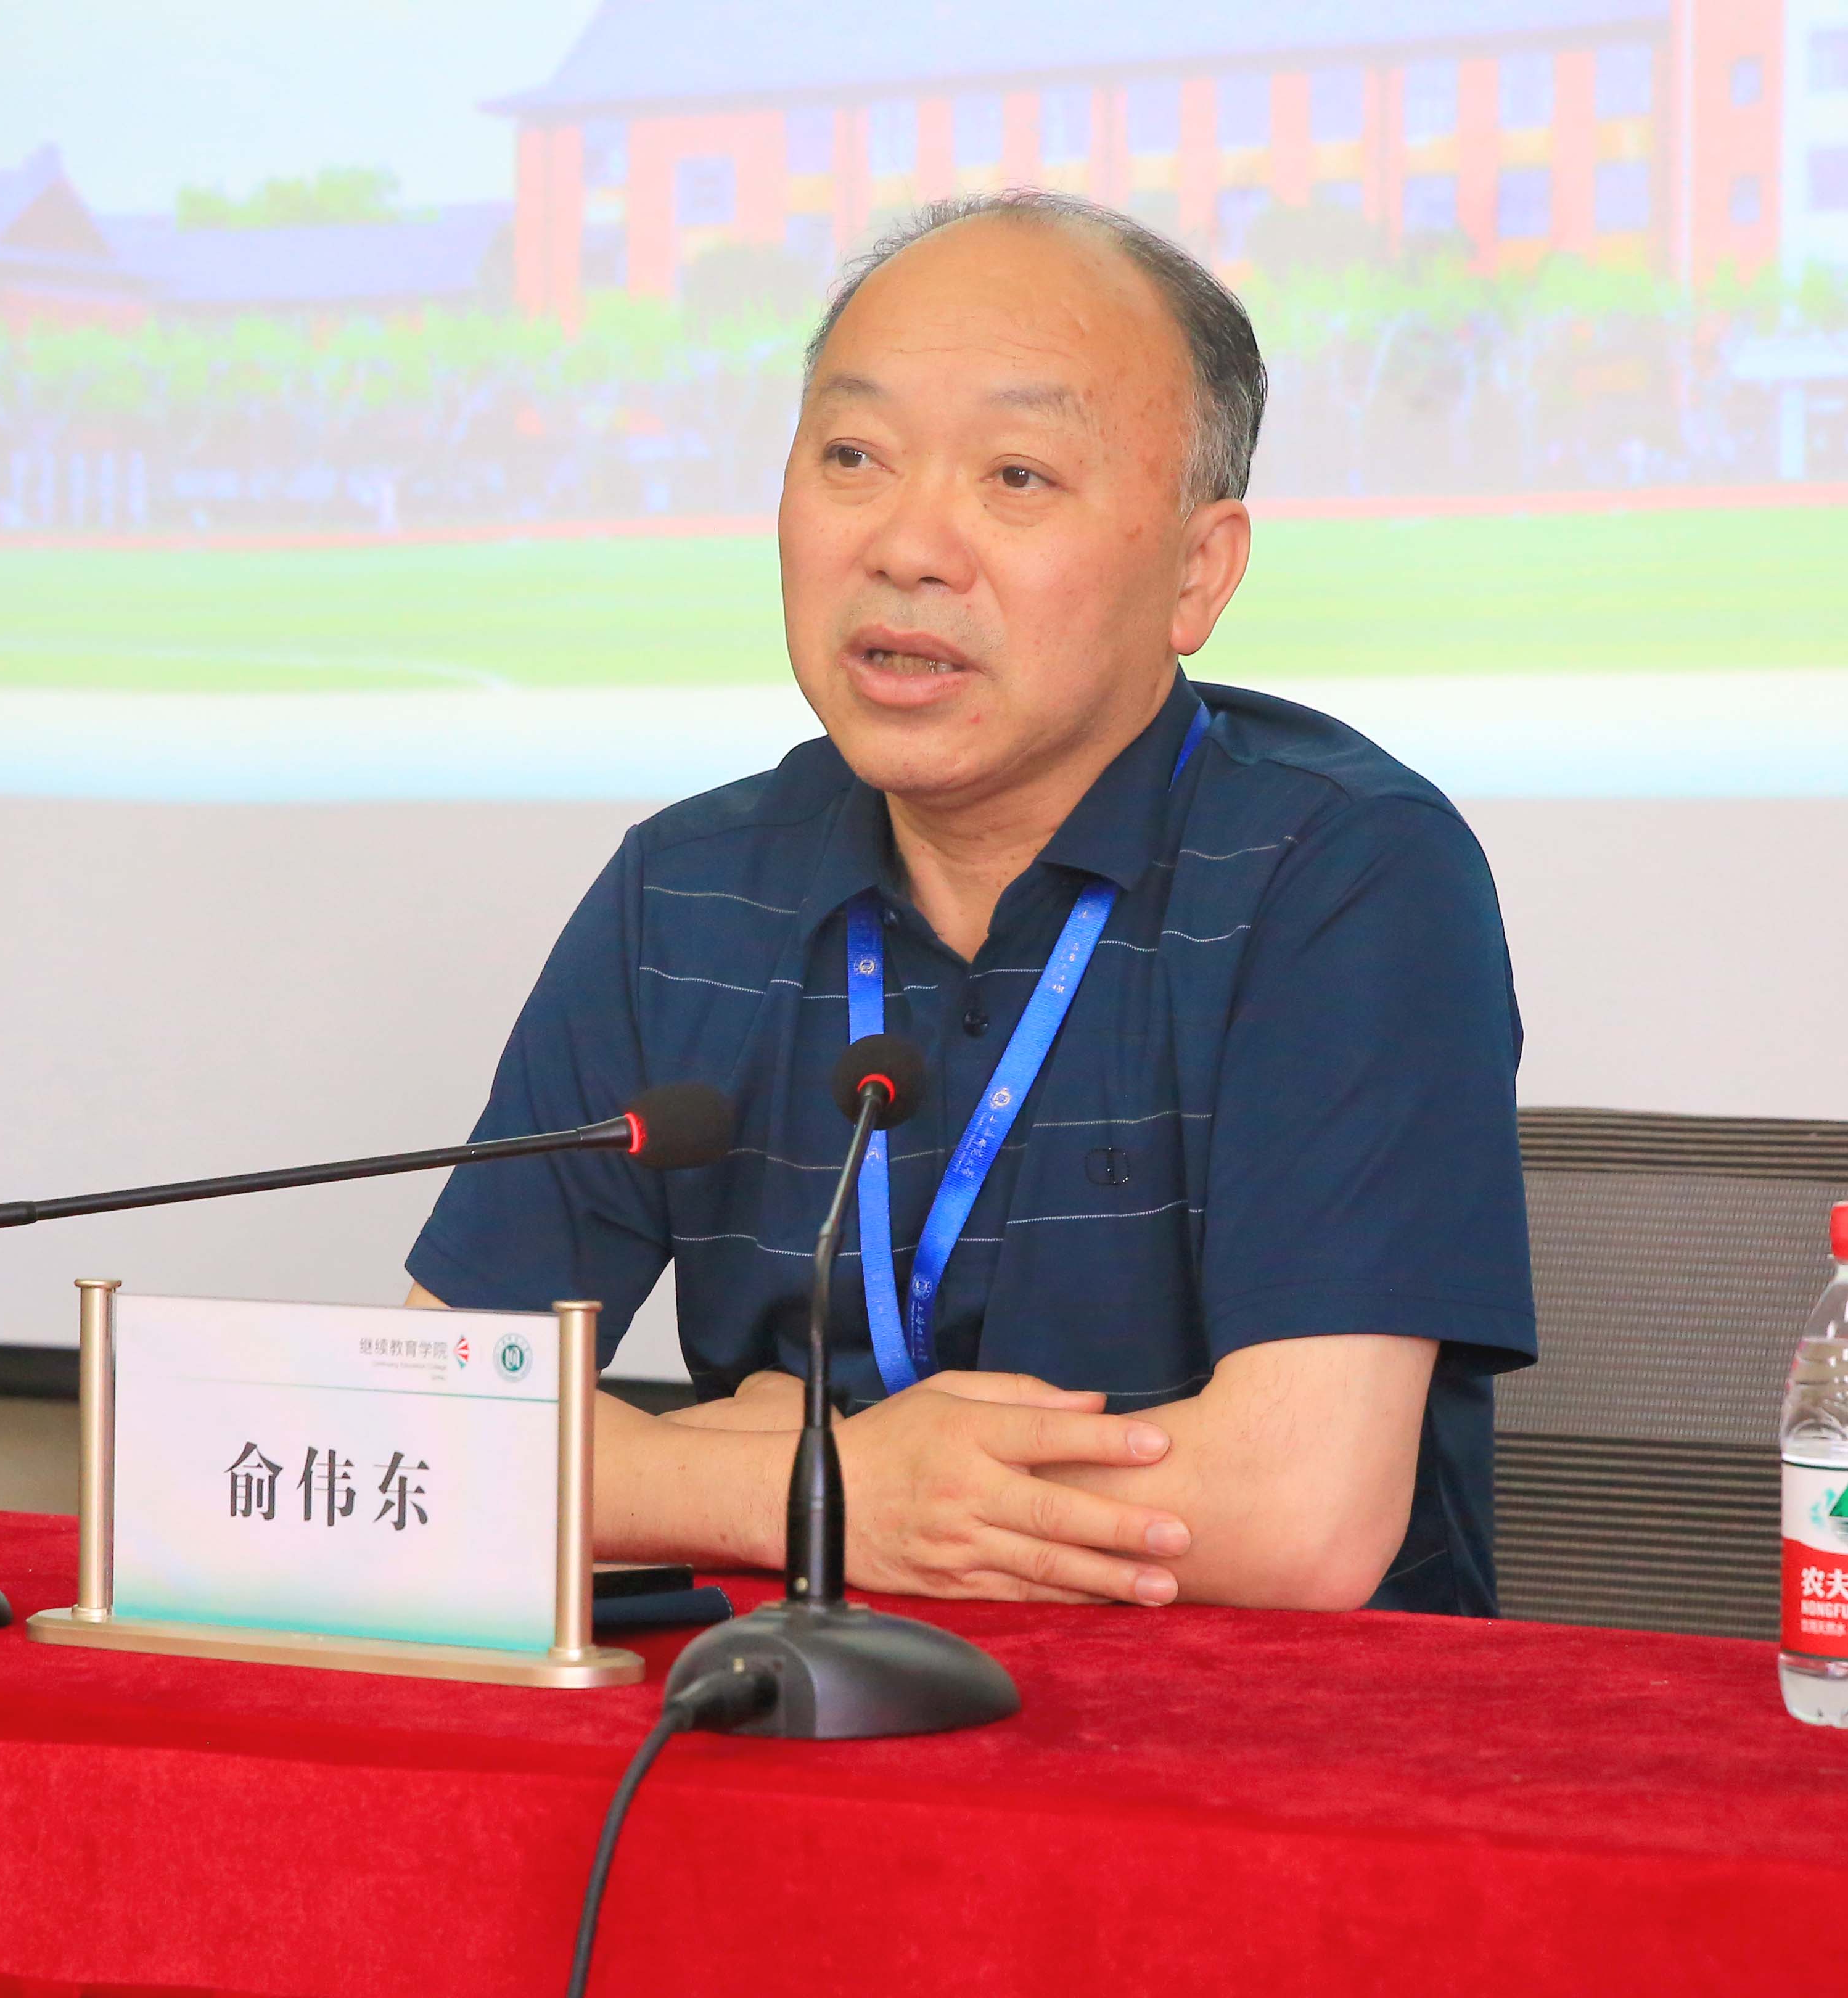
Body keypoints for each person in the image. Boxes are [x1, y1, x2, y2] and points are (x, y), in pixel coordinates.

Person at [406, 192, 1532, 1615]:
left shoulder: (1345, 871)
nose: (909, 546)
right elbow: (425, 1437)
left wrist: (727, 1460)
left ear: (1197, 573)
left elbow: (1292, 1518)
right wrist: (820, 1493)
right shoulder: (683, 893)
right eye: (854, 457)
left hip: (1262, 1738)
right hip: (795, 1712)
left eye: (1016, 475)